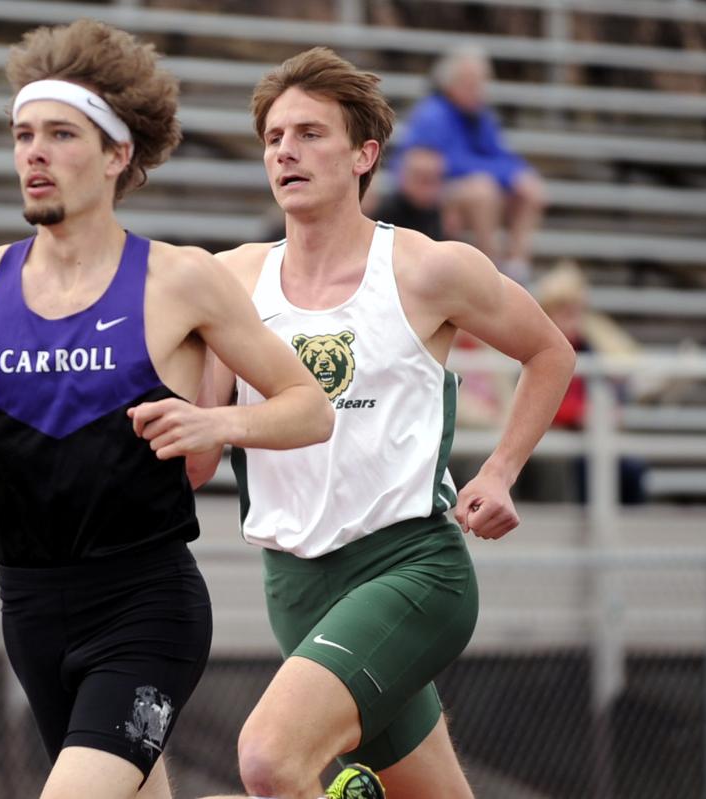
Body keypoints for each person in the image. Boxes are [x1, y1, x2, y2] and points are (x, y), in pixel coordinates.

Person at [0, 20, 334, 799]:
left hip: (146, 611)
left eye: (60, 134)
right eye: (22, 135)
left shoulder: (180, 280)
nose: (34, 154)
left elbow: (309, 409)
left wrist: (218, 422)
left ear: (119, 154)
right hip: (29, 613)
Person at [191, 48, 575, 799]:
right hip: (295, 584)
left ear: (366, 154)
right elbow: (197, 458)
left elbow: (550, 352)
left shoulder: (429, 269)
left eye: (308, 133)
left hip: (410, 568)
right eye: (273, 137)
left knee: (270, 761)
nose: (285, 151)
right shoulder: (231, 279)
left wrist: (498, 470)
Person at [394, 44, 547, 284]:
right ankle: (491, 271)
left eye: (481, 82)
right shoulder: (433, 113)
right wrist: (504, 174)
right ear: (451, 83)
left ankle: (517, 269)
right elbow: (443, 164)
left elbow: (499, 154)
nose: (478, 89)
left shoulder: (479, 116)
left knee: (530, 189)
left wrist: (518, 175)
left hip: (468, 187)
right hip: (437, 194)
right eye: (471, 82)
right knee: (482, 190)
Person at [536, 260, 647, 505]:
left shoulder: (587, 347)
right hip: (557, 433)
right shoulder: (539, 348)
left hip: (588, 431)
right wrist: (582, 413)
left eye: (576, 312)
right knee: (587, 464)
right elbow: (539, 401)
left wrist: (605, 411)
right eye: (565, 312)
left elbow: (601, 388)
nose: (573, 320)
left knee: (632, 468)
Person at [372, 146, 445, 241]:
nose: (428, 189)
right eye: (422, 180)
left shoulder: (442, 215)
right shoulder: (386, 214)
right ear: (404, 177)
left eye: (434, 180)